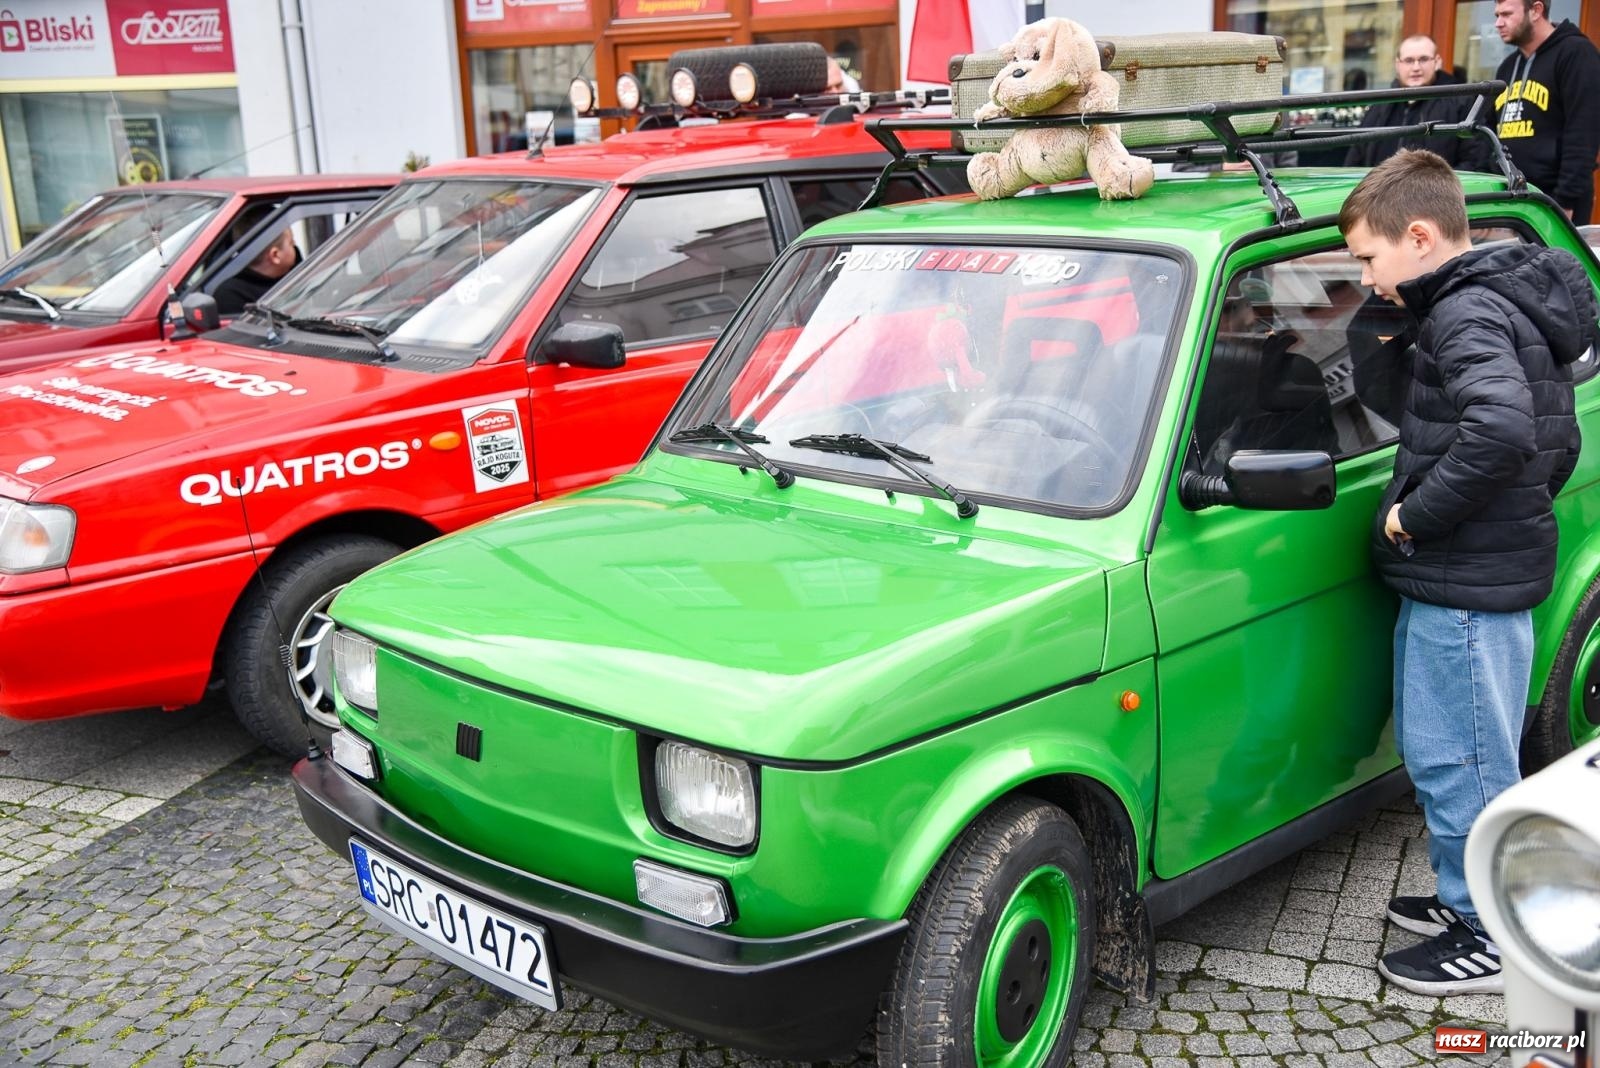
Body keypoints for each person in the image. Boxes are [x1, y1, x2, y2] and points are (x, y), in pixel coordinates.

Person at [1339, 148, 1595, 996]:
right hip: (1470, 571)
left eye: (1368, 259)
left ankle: (1494, 934)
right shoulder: (1482, 301)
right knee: (1448, 747)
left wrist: (1416, 515)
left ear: (1419, 236)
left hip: (1463, 582)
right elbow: (1555, 438)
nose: (1364, 277)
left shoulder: (1465, 315)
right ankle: (1466, 893)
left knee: (1467, 760)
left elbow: (1502, 431)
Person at [1491, 0, 1600, 223]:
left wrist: (1565, 202)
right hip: (1511, 199)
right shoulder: (1507, 67)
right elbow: (1490, 132)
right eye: (1497, 15)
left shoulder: (1576, 54)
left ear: (1536, 10)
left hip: (1555, 201)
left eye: (1507, 14)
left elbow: (1583, 134)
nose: (1498, 23)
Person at [1345, 35, 1489, 170]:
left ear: (1437, 62)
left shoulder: (1461, 103)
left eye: (1423, 59)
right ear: (1398, 64)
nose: (1416, 68)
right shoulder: (1380, 106)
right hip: (1380, 188)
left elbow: (1475, 160)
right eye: (1408, 60)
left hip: (1438, 189)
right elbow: (1355, 159)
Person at [214, 228, 300, 314]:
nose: (295, 247)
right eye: (291, 243)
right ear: (275, 255)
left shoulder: (295, 268)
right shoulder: (231, 295)